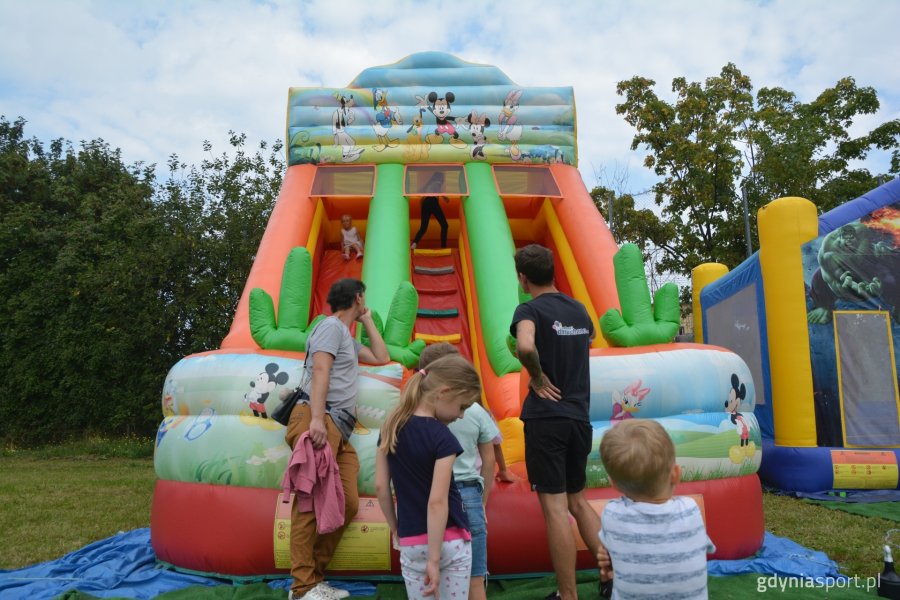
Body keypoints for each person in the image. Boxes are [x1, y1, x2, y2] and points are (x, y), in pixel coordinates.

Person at [285, 278, 390, 600]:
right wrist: (316, 419)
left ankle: (313, 579)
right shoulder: (330, 328)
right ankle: (302, 588)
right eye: (365, 300)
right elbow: (320, 371)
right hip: (319, 417)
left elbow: (381, 357)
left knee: (347, 502)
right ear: (358, 297)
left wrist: (368, 319)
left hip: (339, 428)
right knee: (309, 504)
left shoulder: (344, 335)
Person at [508, 243, 601, 600]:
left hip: (547, 419)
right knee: (578, 501)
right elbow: (587, 342)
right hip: (579, 417)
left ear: (523, 278)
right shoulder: (578, 310)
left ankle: (568, 595)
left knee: (556, 510)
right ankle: (614, 574)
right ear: (554, 272)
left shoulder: (528, 309)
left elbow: (526, 346)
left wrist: (537, 376)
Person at [375, 354, 481, 600]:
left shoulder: (390, 428)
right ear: (443, 392)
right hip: (449, 541)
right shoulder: (443, 438)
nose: (462, 415)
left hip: (411, 541)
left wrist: (396, 530)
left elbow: (381, 487)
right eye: (462, 406)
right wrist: (434, 559)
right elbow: (437, 502)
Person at [417, 343, 509, 600]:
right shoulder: (476, 410)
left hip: (429, 494)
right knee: (474, 577)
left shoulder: (420, 414)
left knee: (432, 572)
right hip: (468, 493)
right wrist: (484, 499)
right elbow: (489, 457)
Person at [596, 419, 715, 599]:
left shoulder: (613, 514)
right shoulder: (691, 509)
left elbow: (612, 553)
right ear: (675, 474)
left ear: (614, 484)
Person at [411, 171, 449, 249]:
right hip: (432, 202)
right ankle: (443, 247)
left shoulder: (429, 184)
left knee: (423, 228)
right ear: (440, 178)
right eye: (442, 178)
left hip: (426, 203)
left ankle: (414, 243)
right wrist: (444, 197)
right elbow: (437, 190)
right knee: (444, 225)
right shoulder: (437, 183)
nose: (443, 180)